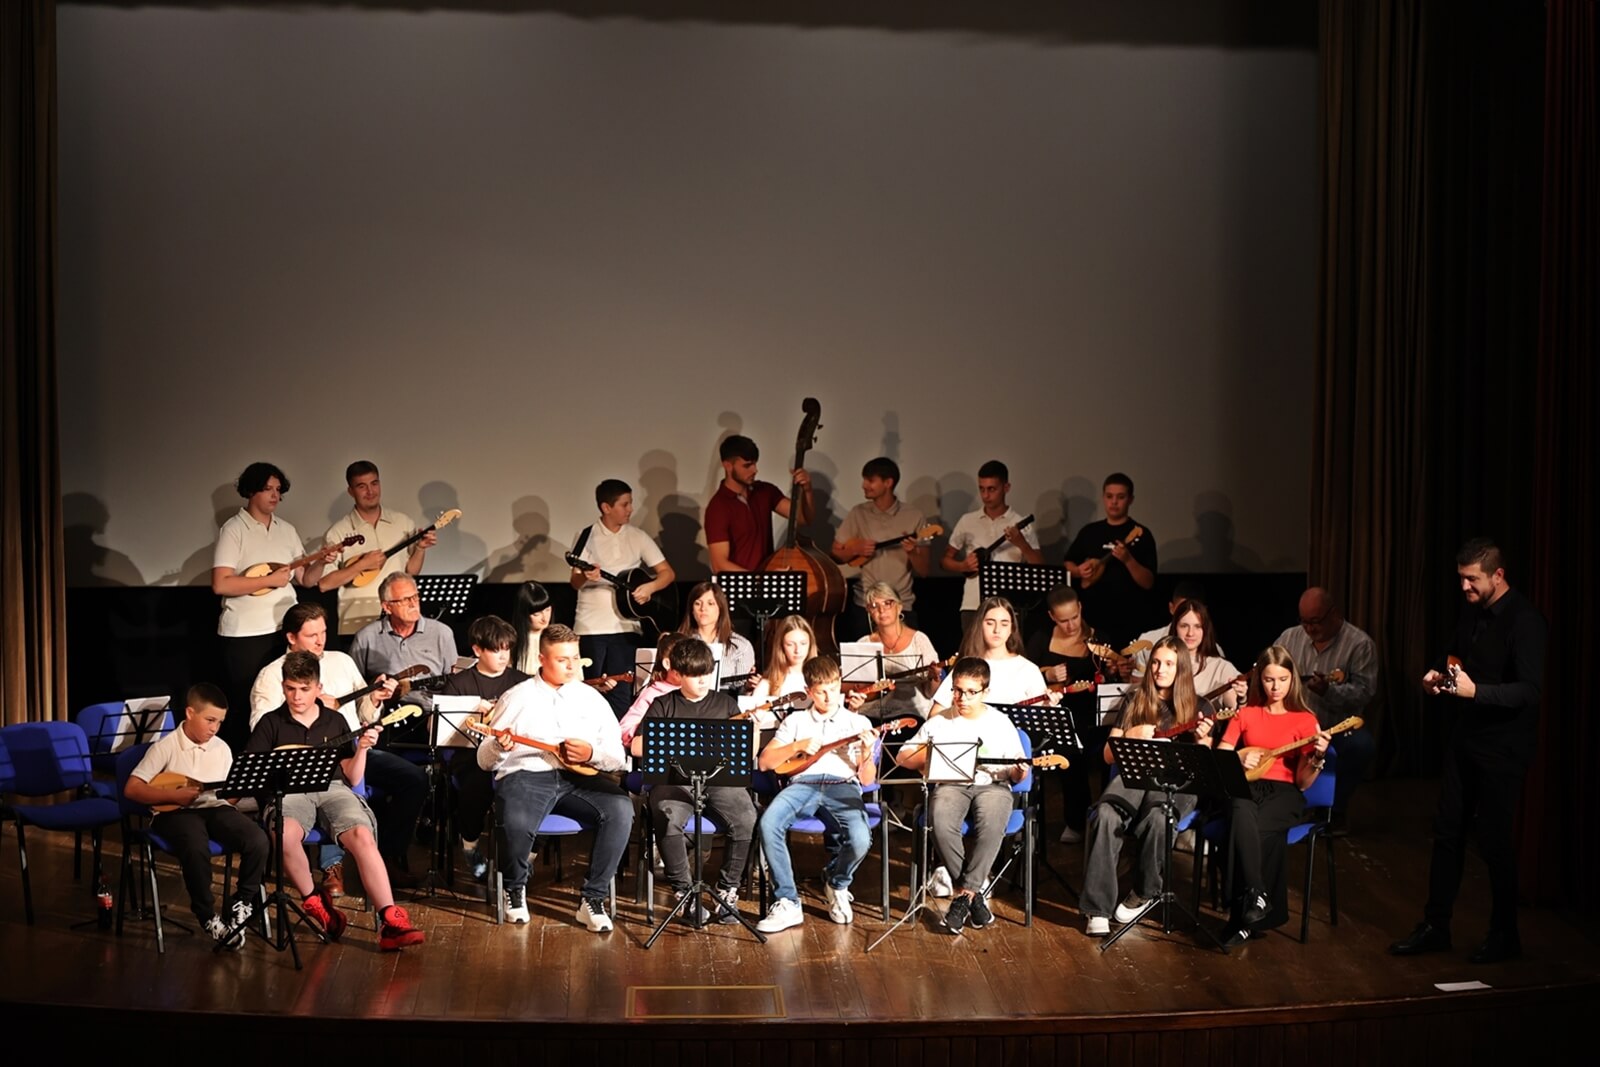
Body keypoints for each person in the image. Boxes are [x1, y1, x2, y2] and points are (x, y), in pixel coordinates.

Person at [1391, 538, 1546, 965]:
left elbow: (1530, 691)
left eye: (1472, 579)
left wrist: (1477, 692)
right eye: (1461, 578)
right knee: (1447, 832)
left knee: (1494, 841)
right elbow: (1457, 656)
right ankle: (1436, 926)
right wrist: (1438, 674)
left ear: (1498, 575)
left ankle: (1505, 934)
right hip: (1466, 739)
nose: (1464, 587)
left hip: (1504, 747)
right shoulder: (1471, 610)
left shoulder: (1526, 621)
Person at [246, 651, 425, 951]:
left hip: (333, 788)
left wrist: (362, 749)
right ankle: (317, 905)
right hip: (290, 793)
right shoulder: (271, 723)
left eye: (304, 689)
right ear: (283, 687)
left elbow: (352, 778)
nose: (297, 696)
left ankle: (390, 920)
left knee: (362, 835)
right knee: (284, 833)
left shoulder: (335, 720)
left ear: (318, 688)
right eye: (290, 688)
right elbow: (253, 772)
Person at [249, 602, 427, 894]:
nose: (320, 641)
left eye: (323, 633)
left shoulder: (341, 661)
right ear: (291, 637)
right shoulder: (271, 676)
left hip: (352, 749)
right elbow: (263, 728)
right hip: (303, 762)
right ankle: (332, 866)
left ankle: (388, 857)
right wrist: (312, 709)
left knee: (414, 779)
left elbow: (365, 714)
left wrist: (375, 699)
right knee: (330, 787)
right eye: (311, 635)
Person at [478, 624, 632, 931]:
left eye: (575, 658)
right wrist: (497, 746)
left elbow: (618, 757)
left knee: (621, 809)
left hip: (579, 779)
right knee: (516, 819)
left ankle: (593, 899)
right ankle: (514, 889)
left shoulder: (591, 698)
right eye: (562, 660)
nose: (572, 666)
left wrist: (591, 753)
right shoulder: (517, 697)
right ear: (542, 659)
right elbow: (483, 760)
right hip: (528, 775)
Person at [1080, 638, 1213, 936]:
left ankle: (1144, 891)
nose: (1160, 669)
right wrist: (1131, 736)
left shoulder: (1201, 706)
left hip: (1177, 784)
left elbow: (1204, 768)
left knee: (1159, 818)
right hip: (1135, 776)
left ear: (1181, 668)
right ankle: (1097, 909)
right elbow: (1107, 755)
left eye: (1168, 664)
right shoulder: (1135, 699)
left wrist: (1202, 741)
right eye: (1155, 662)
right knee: (1106, 814)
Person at [122, 684, 270, 950]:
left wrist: (237, 793)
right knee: (194, 844)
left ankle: (242, 901)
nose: (215, 728)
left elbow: (227, 797)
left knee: (257, 838)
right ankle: (207, 915)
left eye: (220, 722)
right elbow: (132, 789)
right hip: (174, 812)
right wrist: (174, 796)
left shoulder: (221, 748)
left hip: (214, 808)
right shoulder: (165, 747)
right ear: (190, 713)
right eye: (210, 720)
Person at [895, 657, 1028, 934]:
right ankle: (973, 897)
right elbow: (902, 756)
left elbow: (1017, 775)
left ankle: (963, 895)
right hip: (951, 784)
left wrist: (1019, 771)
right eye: (957, 690)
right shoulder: (939, 722)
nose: (962, 698)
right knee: (940, 820)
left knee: (992, 824)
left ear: (985, 692)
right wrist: (930, 755)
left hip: (993, 785)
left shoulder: (1000, 722)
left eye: (970, 692)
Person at [211, 461, 338, 750]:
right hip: (245, 634)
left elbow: (306, 579)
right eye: (267, 489)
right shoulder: (235, 529)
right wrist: (269, 580)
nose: (274, 496)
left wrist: (321, 561)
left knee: (283, 698)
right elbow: (221, 583)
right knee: (246, 703)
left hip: (283, 629)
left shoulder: (286, 530)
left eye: (278, 490)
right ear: (250, 491)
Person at [630, 638, 758, 924]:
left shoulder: (726, 703)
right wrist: (680, 741)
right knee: (667, 816)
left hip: (719, 780)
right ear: (677, 674)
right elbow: (636, 746)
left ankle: (727, 890)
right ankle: (684, 893)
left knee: (745, 816)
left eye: (706, 674)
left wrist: (754, 731)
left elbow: (748, 753)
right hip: (673, 781)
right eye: (695, 675)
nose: (702, 681)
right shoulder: (663, 704)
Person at [1216, 646, 1331, 947]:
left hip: (1284, 793)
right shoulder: (1247, 714)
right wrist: (1239, 758)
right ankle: (1257, 897)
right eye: (1269, 680)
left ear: (1292, 679)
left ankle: (1240, 919)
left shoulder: (1305, 720)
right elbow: (1221, 758)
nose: (1276, 687)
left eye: (1282, 679)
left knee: (1248, 831)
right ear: (1260, 680)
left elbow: (1303, 783)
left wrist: (1318, 758)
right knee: (1239, 807)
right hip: (1249, 786)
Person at [755, 656, 879, 932]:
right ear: (809, 691)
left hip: (843, 784)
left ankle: (837, 883)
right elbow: (764, 763)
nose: (829, 696)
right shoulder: (796, 720)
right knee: (769, 823)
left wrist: (867, 752)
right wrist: (797, 746)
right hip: (802, 784)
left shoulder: (858, 722)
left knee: (861, 838)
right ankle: (787, 900)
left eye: (834, 689)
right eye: (821, 691)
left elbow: (867, 779)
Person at [1272, 587, 1378, 831]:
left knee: (1361, 746)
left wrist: (1329, 692)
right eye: (1304, 621)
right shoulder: (1290, 638)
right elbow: (1270, 667)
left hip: (1336, 728)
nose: (1309, 629)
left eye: (1315, 621)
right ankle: (1282, 806)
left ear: (1334, 614)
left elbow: (1364, 692)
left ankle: (1333, 811)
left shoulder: (1360, 644)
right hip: (1294, 725)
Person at [570, 478, 676, 718]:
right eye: (624, 504)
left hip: (626, 627)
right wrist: (586, 576)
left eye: (630, 503)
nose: (630, 509)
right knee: (592, 691)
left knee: (622, 693)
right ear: (606, 507)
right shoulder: (586, 536)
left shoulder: (637, 536)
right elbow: (574, 582)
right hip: (591, 627)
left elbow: (667, 573)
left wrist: (650, 587)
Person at [437, 615, 528, 881]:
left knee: (536, 784)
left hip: (514, 755)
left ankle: (525, 855)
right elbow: (442, 732)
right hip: (470, 755)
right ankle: (470, 844)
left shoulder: (522, 682)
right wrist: (471, 709)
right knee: (478, 783)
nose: (503, 656)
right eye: (496, 649)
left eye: (507, 649)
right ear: (477, 650)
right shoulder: (459, 683)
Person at [317, 460, 437, 639]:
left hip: (398, 620)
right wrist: (361, 565)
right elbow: (325, 584)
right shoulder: (338, 532)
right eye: (362, 486)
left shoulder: (403, 523)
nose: (370, 491)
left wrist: (420, 548)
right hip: (356, 623)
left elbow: (411, 572)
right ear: (351, 491)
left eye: (374, 483)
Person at [1025, 586, 1107, 844]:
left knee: (1074, 747)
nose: (1071, 625)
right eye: (1063, 620)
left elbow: (1109, 679)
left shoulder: (1098, 640)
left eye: (1074, 617)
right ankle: (1042, 822)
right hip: (1052, 712)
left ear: (1080, 608)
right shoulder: (1041, 638)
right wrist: (1046, 674)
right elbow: (1023, 673)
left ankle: (1087, 820)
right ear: (1052, 616)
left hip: (1089, 716)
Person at [831, 457, 931, 640]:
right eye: (864, 480)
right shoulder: (858, 513)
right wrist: (855, 550)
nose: (864, 485)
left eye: (870, 480)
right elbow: (836, 554)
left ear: (888, 483)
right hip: (866, 605)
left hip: (901, 604)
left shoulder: (914, 515)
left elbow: (924, 571)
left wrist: (912, 552)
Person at [941, 461, 1041, 630]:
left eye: (992, 489)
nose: (985, 495)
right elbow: (944, 561)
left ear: (1006, 487)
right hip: (973, 606)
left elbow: (1039, 565)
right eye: (982, 489)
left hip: (1009, 606)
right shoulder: (967, 521)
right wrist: (962, 566)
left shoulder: (1020, 523)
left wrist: (1022, 544)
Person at [1064, 473, 1158, 649]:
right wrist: (1078, 571)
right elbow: (1068, 563)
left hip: (1129, 617)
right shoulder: (1090, 532)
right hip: (1093, 616)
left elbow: (1148, 582)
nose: (1114, 502)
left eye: (1120, 497)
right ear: (1103, 498)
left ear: (1130, 499)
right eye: (1109, 496)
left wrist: (1128, 560)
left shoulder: (1142, 534)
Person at [704, 434, 813, 573]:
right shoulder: (718, 507)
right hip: (742, 585)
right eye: (747, 465)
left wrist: (807, 490)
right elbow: (719, 565)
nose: (755, 470)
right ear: (728, 466)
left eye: (755, 463)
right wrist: (762, 578)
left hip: (765, 581)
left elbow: (803, 518)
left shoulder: (765, 491)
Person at [928, 598, 1053, 714]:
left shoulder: (1028, 670)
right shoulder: (966, 665)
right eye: (990, 623)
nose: (997, 630)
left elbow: (1041, 717)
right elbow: (935, 715)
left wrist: (1048, 706)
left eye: (1004, 624)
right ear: (980, 625)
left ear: (1012, 628)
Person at [845, 581, 941, 721]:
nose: (881, 610)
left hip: (911, 714)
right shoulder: (863, 644)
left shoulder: (919, 640)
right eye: (874, 606)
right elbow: (850, 688)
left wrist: (934, 678)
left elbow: (930, 693)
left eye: (887, 603)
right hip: (871, 714)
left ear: (899, 607)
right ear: (869, 612)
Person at [740, 614, 818, 720]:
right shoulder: (767, 684)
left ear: (810, 644)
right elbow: (750, 720)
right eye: (790, 644)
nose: (797, 650)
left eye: (803, 643)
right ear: (781, 647)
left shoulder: (820, 680)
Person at [677, 580, 757, 681]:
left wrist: (750, 684)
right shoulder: (679, 642)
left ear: (720, 608)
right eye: (697, 603)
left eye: (710, 604)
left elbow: (742, 686)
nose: (703, 608)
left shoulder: (740, 645)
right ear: (692, 610)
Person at [619, 631, 686, 749]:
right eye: (684, 661)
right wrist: (653, 730)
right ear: (667, 664)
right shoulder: (653, 694)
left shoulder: (694, 691)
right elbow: (624, 730)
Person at [510, 581, 554, 675]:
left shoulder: (557, 638)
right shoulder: (511, 641)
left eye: (547, 610)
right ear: (524, 615)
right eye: (536, 614)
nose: (544, 618)